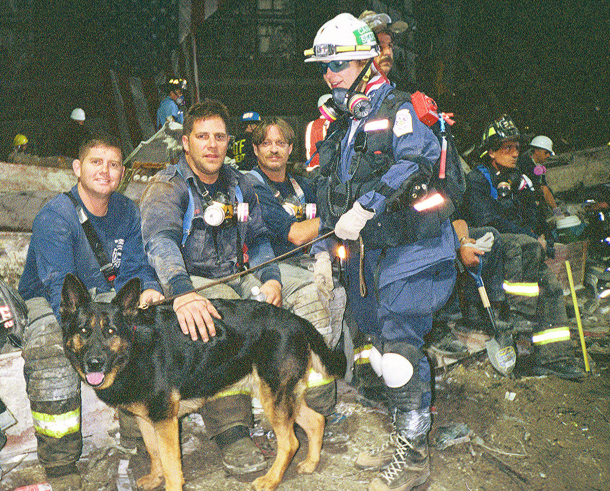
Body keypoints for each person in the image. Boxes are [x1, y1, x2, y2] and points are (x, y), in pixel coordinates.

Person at [305, 13, 458, 490]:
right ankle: (404, 433)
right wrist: (327, 246)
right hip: (371, 258)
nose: (333, 75)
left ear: (368, 61)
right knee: (379, 343)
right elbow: (332, 192)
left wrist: (368, 206)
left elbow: (419, 157)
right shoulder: (344, 122)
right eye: (327, 68)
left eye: (343, 65)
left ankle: (413, 460)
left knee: (399, 350)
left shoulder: (397, 107)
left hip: (413, 250)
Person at [139, 99, 280, 477]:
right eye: (202, 137)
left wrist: (271, 280)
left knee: (294, 304)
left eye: (219, 137)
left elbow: (261, 238)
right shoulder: (167, 186)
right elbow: (160, 242)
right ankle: (232, 431)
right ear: (186, 143)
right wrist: (183, 291)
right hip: (186, 278)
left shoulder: (241, 184)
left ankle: (299, 407)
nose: (212, 145)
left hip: (237, 273)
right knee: (222, 317)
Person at [18, 133, 164, 486]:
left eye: (113, 164)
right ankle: (61, 463)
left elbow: (135, 266)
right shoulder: (56, 216)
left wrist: (150, 290)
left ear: (122, 172)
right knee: (51, 347)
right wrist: (83, 329)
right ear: (77, 168)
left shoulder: (127, 210)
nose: (105, 171)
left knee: (140, 332)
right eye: (96, 162)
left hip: (104, 296)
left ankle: (139, 442)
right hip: (54, 298)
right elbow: (59, 288)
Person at [247, 117, 348, 442]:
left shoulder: (302, 185)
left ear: (291, 148)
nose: (274, 149)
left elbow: (322, 228)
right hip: (268, 265)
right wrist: (338, 216)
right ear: (255, 149)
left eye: (280, 143)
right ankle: (302, 411)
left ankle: (320, 407)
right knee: (313, 305)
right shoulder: (254, 185)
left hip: (304, 263)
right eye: (266, 143)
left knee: (337, 299)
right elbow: (295, 233)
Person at [463, 115, 585, 380]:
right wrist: (529, 235)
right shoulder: (477, 180)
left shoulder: (519, 179)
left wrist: (541, 234)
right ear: (491, 151)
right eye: (508, 148)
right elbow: (487, 219)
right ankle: (520, 316)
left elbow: (531, 211)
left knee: (551, 288)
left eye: (517, 148)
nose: (516, 153)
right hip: (493, 250)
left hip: (522, 248)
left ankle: (555, 359)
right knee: (526, 245)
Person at [518, 135, 561, 214]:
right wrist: (557, 211)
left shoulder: (537, 165)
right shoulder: (526, 164)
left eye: (549, 153)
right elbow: (543, 189)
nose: (548, 155)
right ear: (536, 151)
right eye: (546, 152)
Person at [358, 10, 408, 78]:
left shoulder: (390, 88)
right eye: (379, 47)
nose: (388, 52)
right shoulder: (347, 86)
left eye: (390, 46)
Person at [305, 94, 333, 171]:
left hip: (312, 168)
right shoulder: (332, 123)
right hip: (326, 169)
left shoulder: (311, 124)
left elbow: (308, 147)